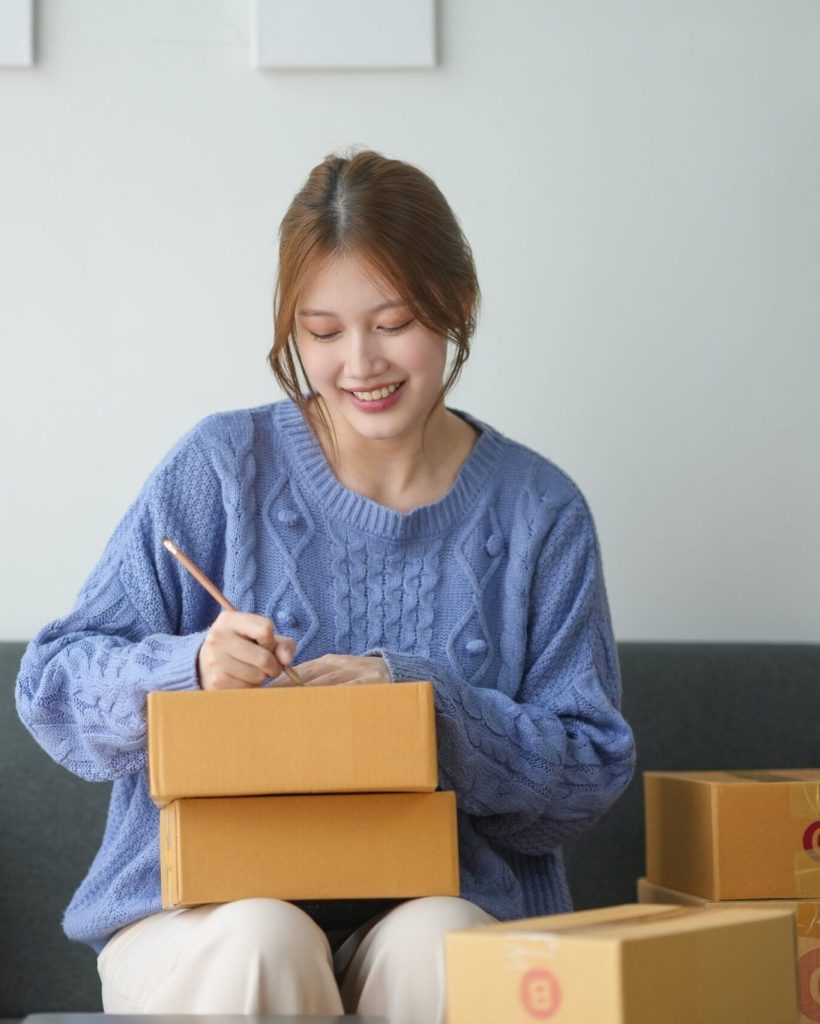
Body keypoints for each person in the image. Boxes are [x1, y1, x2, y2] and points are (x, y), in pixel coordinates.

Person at [15, 149, 635, 1022]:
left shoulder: (540, 512)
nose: (360, 363)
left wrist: (430, 706)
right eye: (322, 331)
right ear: (290, 331)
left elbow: (590, 771)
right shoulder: (220, 467)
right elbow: (51, 685)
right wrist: (189, 669)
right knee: (267, 941)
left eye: (394, 322)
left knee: (442, 946)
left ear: (455, 308)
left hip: (447, 907)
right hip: (200, 917)